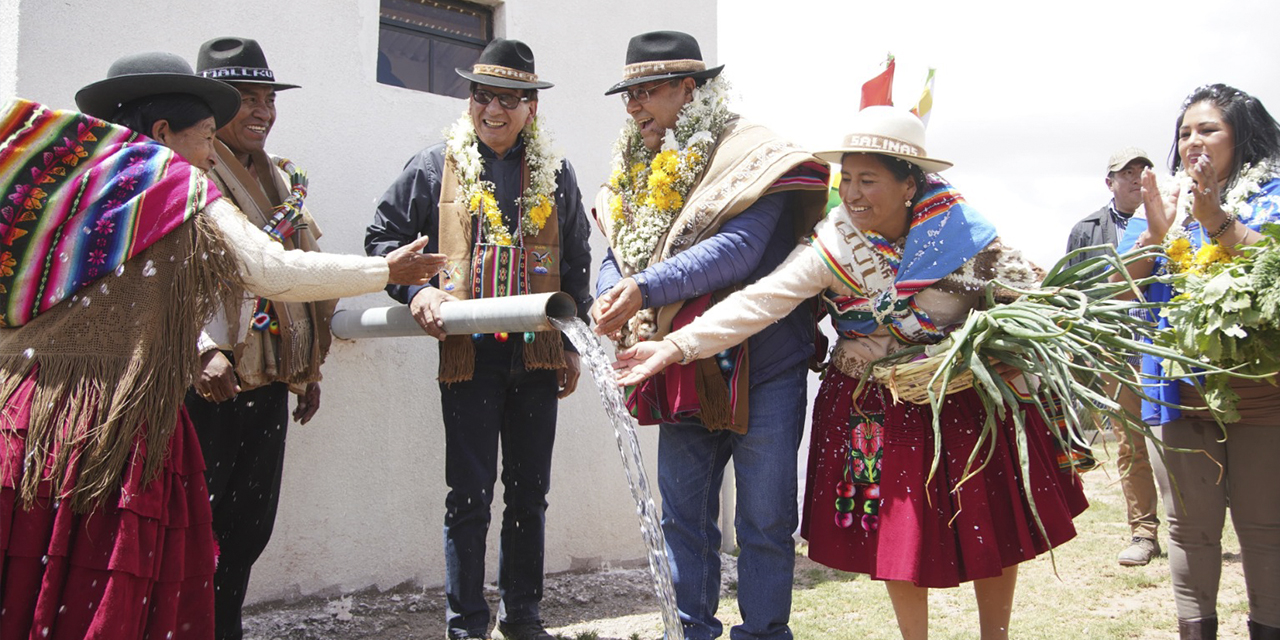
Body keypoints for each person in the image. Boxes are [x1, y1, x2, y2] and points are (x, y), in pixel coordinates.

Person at [0, 52, 443, 640]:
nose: (211, 154)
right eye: (206, 137)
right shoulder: (172, 187)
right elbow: (270, 269)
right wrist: (381, 269)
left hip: (29, 418)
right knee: (115, 580)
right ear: (163, 133)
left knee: (32, 575)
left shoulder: (66, 184)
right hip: (115, 431)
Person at [613, 106, 1088, 640]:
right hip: (881, 402)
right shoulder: (836, 244)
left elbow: (1032, 299)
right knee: (902, 532)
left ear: (910, 184)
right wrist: (676, 346)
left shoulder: (964, 237)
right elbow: (761, 301)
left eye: (869, 180)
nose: (854, 195)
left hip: (962, 399)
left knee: (988, 519)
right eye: (848, 180)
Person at [593, 30, 830, 640]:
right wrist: (609, 291)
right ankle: (690, 630)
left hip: (766, 364)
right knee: (685, 518)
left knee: (765, 519)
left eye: (646, 92)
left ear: (688, 90)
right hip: (678, 370)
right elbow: (618, 249)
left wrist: (643, 289)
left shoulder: (754, 152)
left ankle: (764, 633)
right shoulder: (633, 167)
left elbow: (740, 250)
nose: (634, 107)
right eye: (628, 94)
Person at [365, 38, 592, 640]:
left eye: (510, 99)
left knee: (529, 495)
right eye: (483, 96)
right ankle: (465, 626)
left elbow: (576, 258)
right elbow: (383, 242)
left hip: (537, 355)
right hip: (470, 356)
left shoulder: (557, 172)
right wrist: (417, 294)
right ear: (470, 101)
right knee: (468, 495)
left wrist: (572, 342)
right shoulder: (432, 165)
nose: (494, 110)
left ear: (531, 108)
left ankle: (523, 620)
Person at [184, 36, 338, 640]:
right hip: (208, 382)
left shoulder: (282, 179)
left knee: (250, 523)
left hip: (271, 377)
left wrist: (310, 369)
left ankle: (225, 627)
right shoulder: (189, 173)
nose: (261, 112)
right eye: (243, 100)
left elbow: (302, 270)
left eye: (267, 99)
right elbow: (166, 276)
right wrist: (202, 348)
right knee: (201, 519)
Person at [1119, 83, 1280, 640]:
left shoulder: (1273, 194)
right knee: (1190, 528)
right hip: (1178, 389)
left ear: (1244, 134)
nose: (1193, 141)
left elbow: (1272, 273)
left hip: (1261, 390)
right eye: (1184, 132)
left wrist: (1217, 222)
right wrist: (1155, 239)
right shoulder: (1164, 201)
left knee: (1266, 528)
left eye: (1207, 128)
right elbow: (1119, 290)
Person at [1065, 148, 1164, 567]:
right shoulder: (1087, 229)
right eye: (1127, 173)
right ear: (1110, 183)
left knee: (1181, 436)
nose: (1137, 178)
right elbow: (1072, 291)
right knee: (1131, 441)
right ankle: (1143, 532)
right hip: (1117, 348)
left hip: (1166, 340)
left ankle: (1193, 524)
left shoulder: (1177, 218)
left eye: (1143, 170)